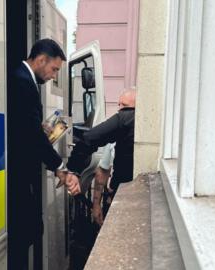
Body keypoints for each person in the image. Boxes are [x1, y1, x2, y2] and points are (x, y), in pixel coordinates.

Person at [7, 38, 80, 270]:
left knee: (31, 229)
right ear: (41, 60)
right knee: (28, 231)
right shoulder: (22, 81)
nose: (54, 75)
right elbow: (30, 136)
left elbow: (23, 126)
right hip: (18, 172)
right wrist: (60, 166)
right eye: (54, 69)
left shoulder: (23, 79)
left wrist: (37, 127)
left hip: (21, 168)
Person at [66, 89, 136, 217]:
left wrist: (73, 169)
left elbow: (89, 138)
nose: (120, 109)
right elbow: (102, 172)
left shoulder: (124, 120)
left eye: (124, 106)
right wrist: (97, 205)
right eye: (119, 105)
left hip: (123, 194)